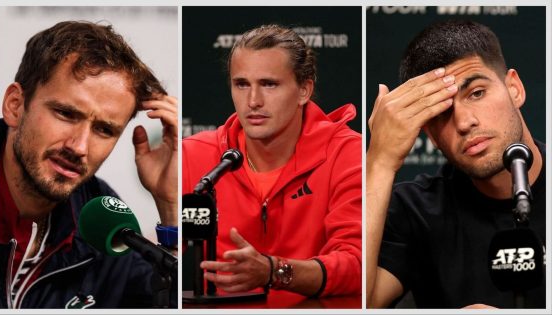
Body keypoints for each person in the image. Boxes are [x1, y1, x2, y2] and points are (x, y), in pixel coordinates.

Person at [366, 19, 546, 308]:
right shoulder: (415, 210)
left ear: (514, 88)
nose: (464, 122)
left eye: (476, 93)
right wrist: (380, 161)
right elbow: (357, 302)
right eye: (441, 113)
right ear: (430, 136)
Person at [0, 21, 178, 308]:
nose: (79, 147)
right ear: (16, 105)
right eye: (66, 114)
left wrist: (169, 204)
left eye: (104, 130)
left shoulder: (101, 216)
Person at [182, 24, 361, 297]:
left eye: (269, 84)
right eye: (241, 84)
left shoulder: (346, 153)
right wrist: (161, 195)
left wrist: (273, 271)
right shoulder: (193, 155)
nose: (253, 101)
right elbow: (166, 263)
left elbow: (357, 264)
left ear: (304, 90)